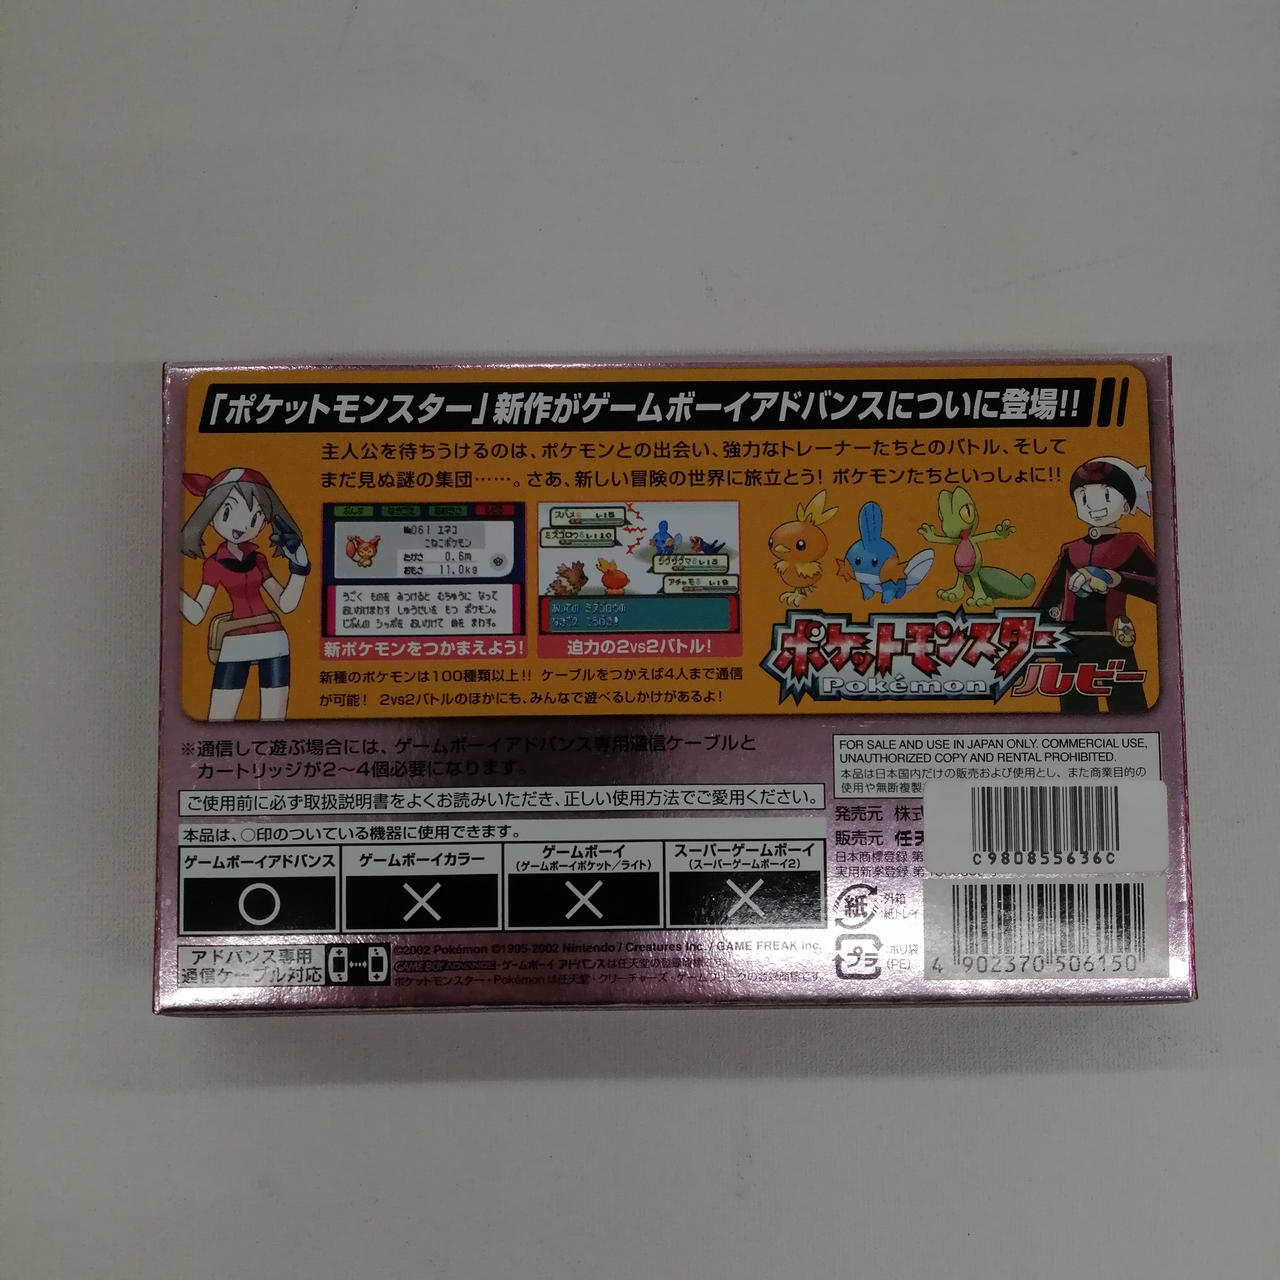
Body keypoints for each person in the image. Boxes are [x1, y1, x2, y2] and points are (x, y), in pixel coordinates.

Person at [179, 466, 309, 720]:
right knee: (219, 720)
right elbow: (196, 614)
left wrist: (299, 566)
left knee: (274, 723)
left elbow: (286, 603)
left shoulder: (259, 559)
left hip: (273, 640)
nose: (243, 526)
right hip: (235, 643)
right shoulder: (214, 564)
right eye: (228, 511)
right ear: (211, 514)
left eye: (255, 518)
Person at [1035, 457, 1156, 713]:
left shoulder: (1130, 544)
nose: (1094, 506)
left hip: (1113, 639)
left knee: (1129, 710)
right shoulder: (1071, 549)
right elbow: (1047, 599)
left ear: (1126, 505)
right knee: (1075, 715)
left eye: (1106, 496)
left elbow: (1160, 588)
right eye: (1084, 498)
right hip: (1070, 642)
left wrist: (1114, 578)